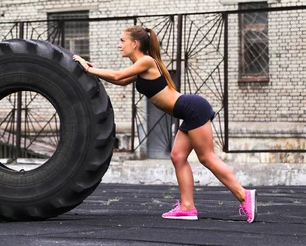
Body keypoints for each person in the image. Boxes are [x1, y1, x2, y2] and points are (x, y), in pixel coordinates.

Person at [73, 25, 256, 223]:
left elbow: (117, 75)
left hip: (193, 109)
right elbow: (121, 81)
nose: (119, 45)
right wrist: (92, 71)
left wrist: (88, 67)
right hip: (188, 112)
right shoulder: (142, 66)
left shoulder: (146, 61)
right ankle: (187, 208)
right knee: (178, 156)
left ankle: (244, 196)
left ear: (135, 44)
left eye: (122, 41)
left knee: (207, 158)